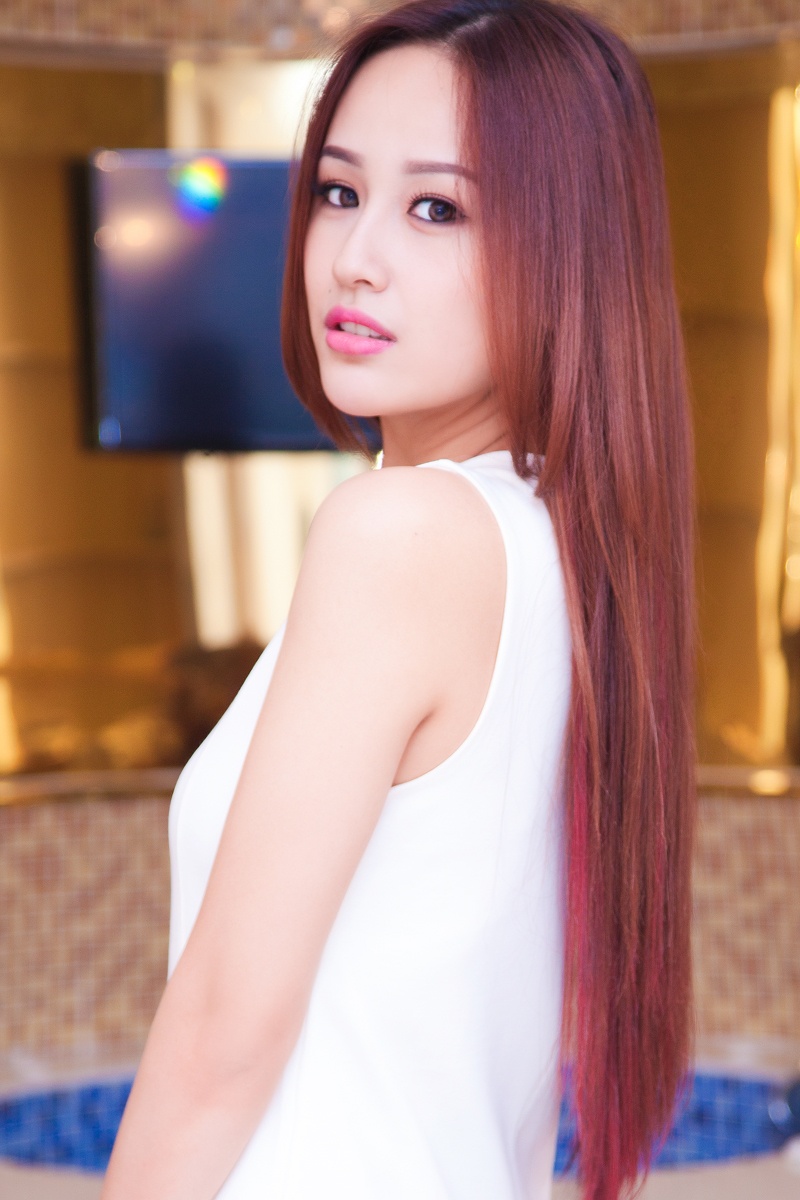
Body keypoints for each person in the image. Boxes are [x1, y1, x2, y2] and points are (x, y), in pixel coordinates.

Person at [101, 0, 696, 1197]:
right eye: (336, 191)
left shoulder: (398, 535)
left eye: (436, 208)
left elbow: (223, 1031)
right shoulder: (566, 548)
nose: (353, 256)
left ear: (565, 251)